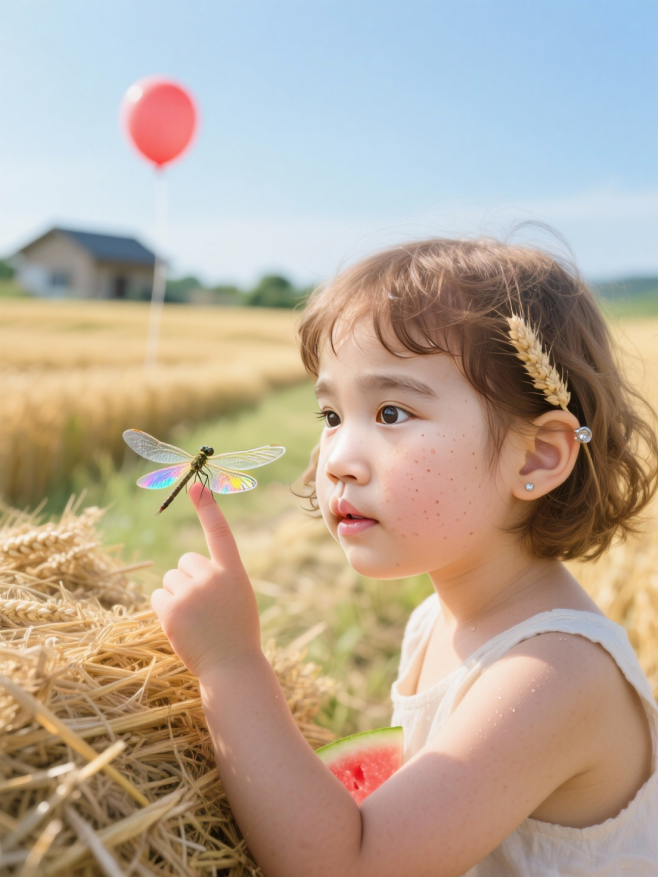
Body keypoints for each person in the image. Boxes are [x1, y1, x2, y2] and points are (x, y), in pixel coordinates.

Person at [151, 236, 658, 876]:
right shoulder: (432, 623)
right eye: (332, 414)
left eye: (391, 412)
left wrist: (231, 664)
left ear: (537, 457)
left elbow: (347, 866)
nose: (336, 460)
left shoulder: (553, 675)